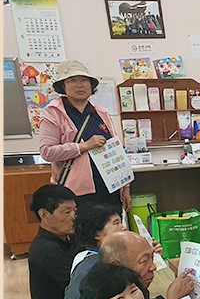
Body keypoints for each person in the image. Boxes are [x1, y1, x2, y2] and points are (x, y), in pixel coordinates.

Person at [38, 59, 131, 212]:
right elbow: (47, 152)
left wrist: (125, 187)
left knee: (112, 227)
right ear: (63, 86)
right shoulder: (53, 113)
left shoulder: (101, 113)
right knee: (83, 227)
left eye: (84, 80)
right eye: (72, 80)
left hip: (110, 189)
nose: (79, 85)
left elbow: (116, 151)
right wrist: (84, 146)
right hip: (76, 193)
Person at [27, 184, 77, 299]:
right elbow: (84, 286)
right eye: (67, 212)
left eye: (75, 211)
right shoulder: (46, 250)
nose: (74, 217)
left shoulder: (61, 238)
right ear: (44, 215)